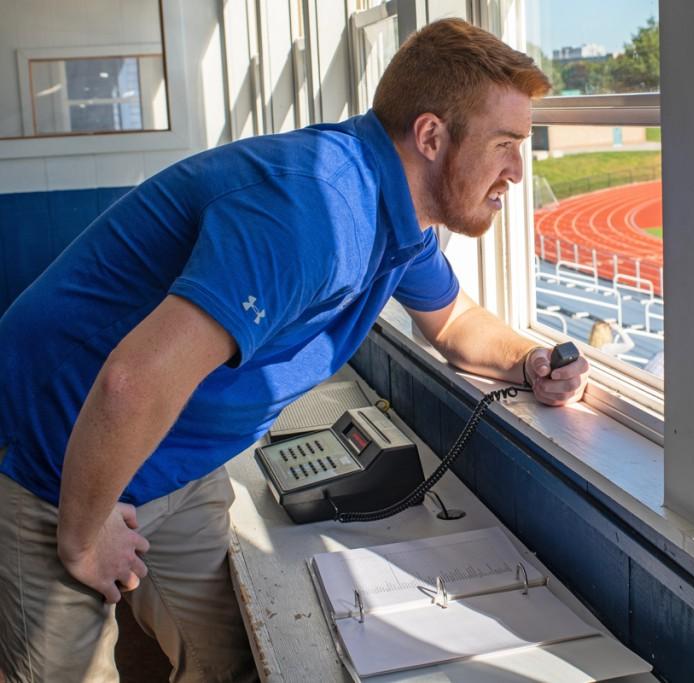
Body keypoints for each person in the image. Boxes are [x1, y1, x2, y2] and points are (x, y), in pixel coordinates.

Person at [0, 18, 589, 682]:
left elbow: (454, 322)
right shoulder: (314, 212)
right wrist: (82, 535)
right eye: (505, 143)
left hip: (179, 458)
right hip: (63, 457)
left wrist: (527, 361)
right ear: (430, 136)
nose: (518, 167)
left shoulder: (401, 215)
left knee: (236, 660)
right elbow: (131, 384)